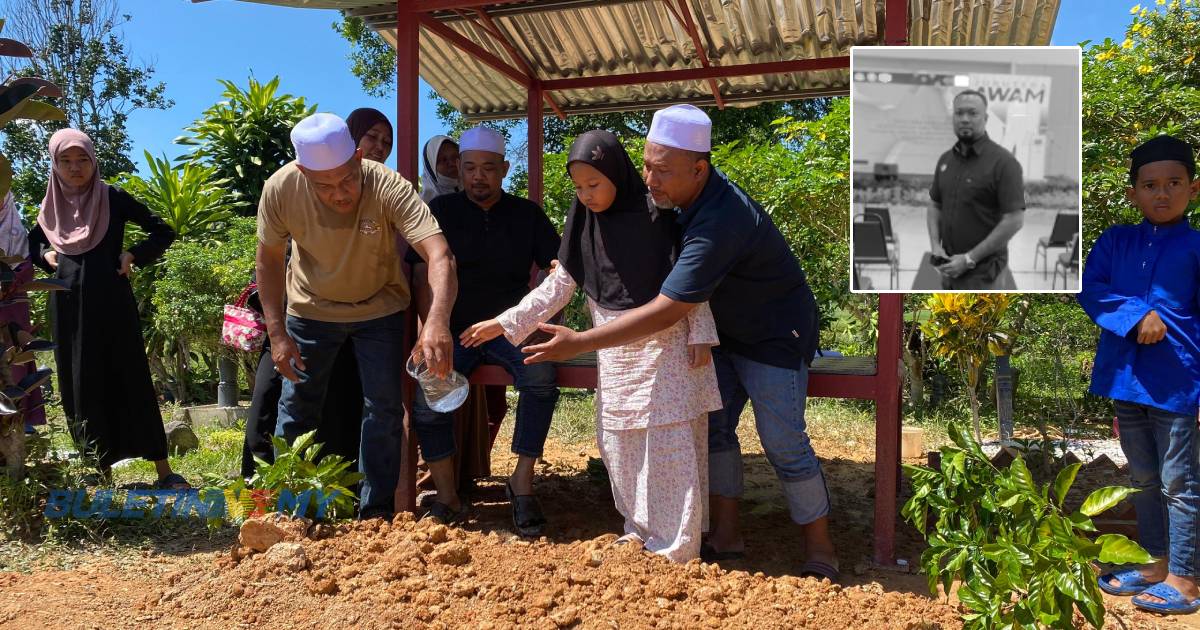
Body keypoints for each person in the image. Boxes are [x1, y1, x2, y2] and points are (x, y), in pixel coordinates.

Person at [521, 105, 839, 580]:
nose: (650, 179)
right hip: (723, 335)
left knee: (783, 442)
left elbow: (669, 307)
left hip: (774, 334)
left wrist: (581, 341)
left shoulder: (721, 219)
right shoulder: (676, 200)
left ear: (699, 169)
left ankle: (822, 548)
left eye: (663, 170)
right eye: (647, 164)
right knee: (716, 433)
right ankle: (726, 536)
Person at [464, 130, 721, 561]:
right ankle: (638, 530)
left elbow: (689, 281)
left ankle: (677, 545)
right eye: (578, 187)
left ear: (617, 175)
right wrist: (505, 322)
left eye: (594, 185)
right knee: (618, 442)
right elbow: (559, 285)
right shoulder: (583, 221)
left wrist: (701, 332)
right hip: (613, 345)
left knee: (668, 445)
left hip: (667, 343)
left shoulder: (658, 214)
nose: (586, 195)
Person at [256, 113, 456, 520]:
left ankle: (375, 515)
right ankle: (291, 512)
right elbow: (270, 262)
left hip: (379, 308)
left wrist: (436, 321)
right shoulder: (280, 189)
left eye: (348, 179)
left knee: (382, 408)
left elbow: (438, 253)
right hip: (310, 309)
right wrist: (277, 334)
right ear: (302, 172)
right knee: (297, 405)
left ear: (359, 157)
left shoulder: (387, 184)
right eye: (324, 186)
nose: (340, 194)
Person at [405, 126, 560, 533]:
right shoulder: (441, 211)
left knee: (542, 377)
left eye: (488, 169)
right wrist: (427, 331)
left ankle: (522, 482)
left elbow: (556, 268)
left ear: (504, 169)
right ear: (460, 168)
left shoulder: (528, 214)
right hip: (454, 330)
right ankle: (447, 496)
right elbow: (422, 274)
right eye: (470, 167)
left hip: (512, 328)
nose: (478, 177)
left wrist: (543, 320)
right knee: (429, 398)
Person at [1080, 135, 1200, 615]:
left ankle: (1187, 578)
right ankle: (1154, 563)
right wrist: (1135, 315)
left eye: (1174, 183)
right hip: (1126, 380)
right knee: (1144, 480)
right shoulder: (1115, 241)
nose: (1162, 193)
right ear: (1133, 193)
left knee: (1181, 483)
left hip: (1179, 384)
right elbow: (1090, 287)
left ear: (1194, 188)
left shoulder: (1195, 247)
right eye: (1150, 185)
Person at [28, 129, 187, 488]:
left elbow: (162, 230)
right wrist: (45, 255)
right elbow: (29, 245)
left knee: (130, 376)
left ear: (93, 160)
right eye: (65, 161)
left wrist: (133, 254)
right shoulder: (49, 207)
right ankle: (100, 474)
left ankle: (163, 471)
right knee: (81, 383)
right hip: (67, 306)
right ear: (54, 165)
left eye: (82, 159)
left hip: (113, 303)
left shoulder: (112, 197)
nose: (75, 168)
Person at [413, 132, 502, 501]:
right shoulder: (427, 209)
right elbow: (423, 271)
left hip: (495, 329)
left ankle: (468, 472)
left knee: (489, 403)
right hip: (444, 326)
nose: (453, 167)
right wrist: (430, 326)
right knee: (438, 396)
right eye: (448, 162)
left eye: (456, 159)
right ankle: (436, 485)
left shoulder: (504, 210)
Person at [926, 89, 1026, 290]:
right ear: (953, 116)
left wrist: (969, 259)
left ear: (985, 118)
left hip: (984, 275)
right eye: (959, 113)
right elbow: (934, 204)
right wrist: (936, 247)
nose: (964, 119)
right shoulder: (945, 160)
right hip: (948, 268)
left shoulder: (1004, 163)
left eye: (972, 113)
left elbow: (1014, 220)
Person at [0, 192, 46, 433]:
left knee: (15, 358)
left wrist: (9, 281)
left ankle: (20, 419)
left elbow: (27, 268)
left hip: (13, 311)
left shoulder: (16, 232)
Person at [419, 135, 462, 204]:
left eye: (455, 157)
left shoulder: (477, 195)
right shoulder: (421, 207)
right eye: (443, 160)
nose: (451, 163)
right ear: (431, 168)